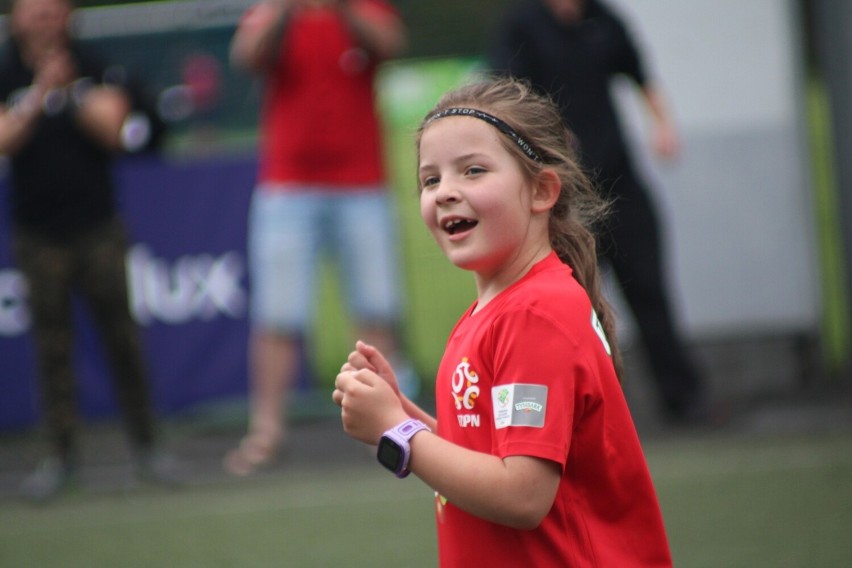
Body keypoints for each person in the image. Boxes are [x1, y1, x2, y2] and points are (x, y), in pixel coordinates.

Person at [333, 78, 673, 567]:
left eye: (473, 170)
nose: (446, 192)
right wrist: (403, 418)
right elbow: (491, 460)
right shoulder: (496, 311)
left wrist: (399, 433)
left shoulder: (535, 314)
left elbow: (522, 494)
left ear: (541, 191)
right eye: (431, 180)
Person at [489, 0, 709, 424]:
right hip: (561, 196)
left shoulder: (602, 20)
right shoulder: (521, 26)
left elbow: (640, 74)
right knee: (569, 305)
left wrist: (663, 125)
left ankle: (683, 398)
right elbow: (506, 99)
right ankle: (572, 413)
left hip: (620, 183)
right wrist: (547, 135)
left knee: (649, 289)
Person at [224, 0, 414, 475]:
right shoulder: (275, 10)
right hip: (289, 183)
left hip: (361, 182)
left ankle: (385, 429)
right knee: (277, 316)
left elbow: (391, 43)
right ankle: (266, 431)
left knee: (375, 309)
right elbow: (246, 54)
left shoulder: (361, 7)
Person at [0, 0, 171, 502]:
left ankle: (147, 447)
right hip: (38, 232)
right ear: (16, 15)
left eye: (55, 10)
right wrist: (38, 93)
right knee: (52, 348)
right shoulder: (6, 68)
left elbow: (116, 130)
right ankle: (61, 457)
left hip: (98, 226)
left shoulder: (94, 64)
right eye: (36, 10)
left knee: (123, 339)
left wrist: (70, 90)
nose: (47, 19)